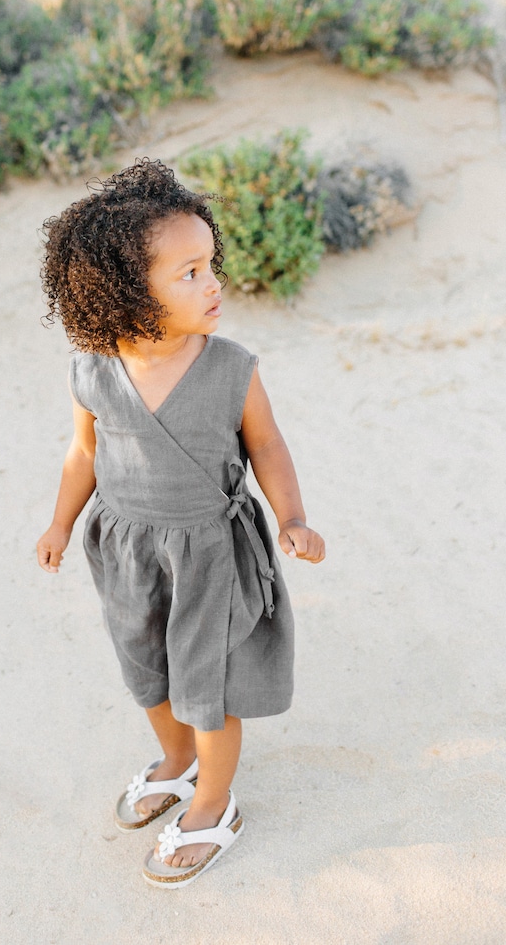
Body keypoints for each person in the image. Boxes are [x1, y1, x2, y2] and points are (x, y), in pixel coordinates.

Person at [37, 159, 325, 888]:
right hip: (126, 545)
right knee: (148, 671)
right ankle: (177, 759)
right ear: (125, 293)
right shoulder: (94, 368)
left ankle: (213, 804)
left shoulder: (231, 367)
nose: (213, 282)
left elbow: (267, 443)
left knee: (209, 686)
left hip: (208, 551)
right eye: (189, 272)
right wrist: (59, 524)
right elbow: (83, 451)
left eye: (209, 264)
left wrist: (292, 516)